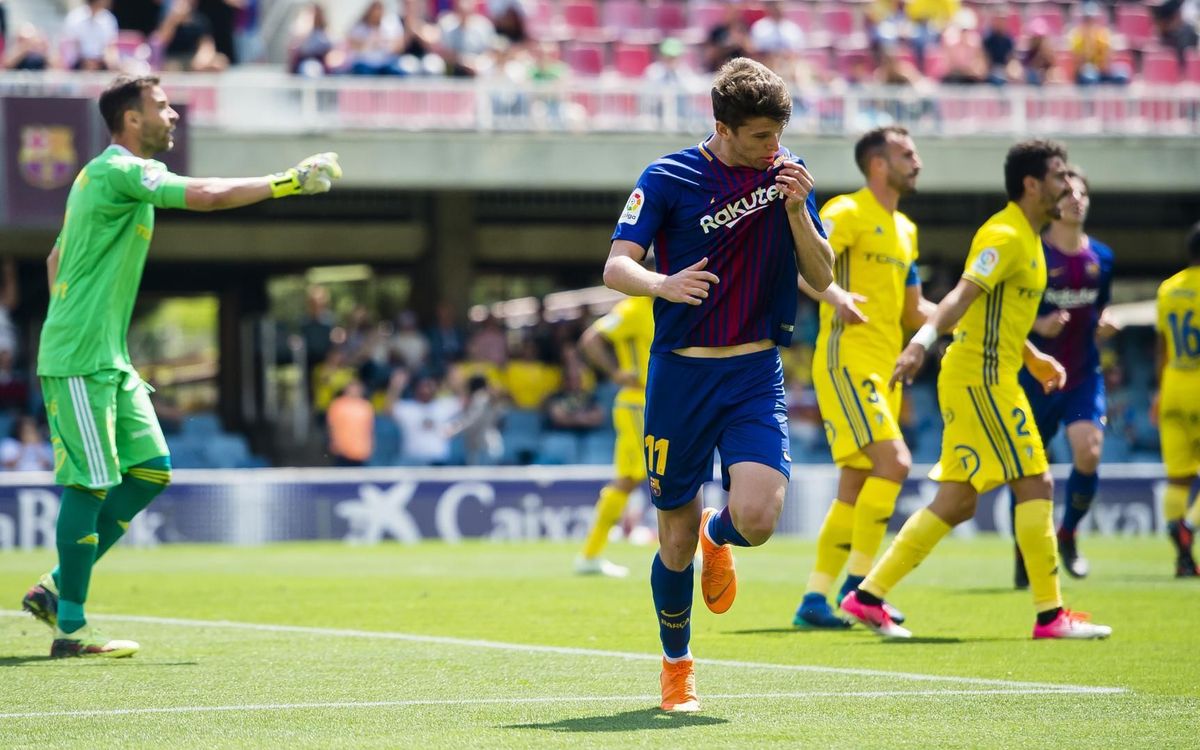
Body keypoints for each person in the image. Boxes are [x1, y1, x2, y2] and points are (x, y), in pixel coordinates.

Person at [20, 74, 342, 658]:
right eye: (163, 107)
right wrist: (289, 182)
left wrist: (83, 317)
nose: (174, 116)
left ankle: (56, 588)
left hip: (107, 358)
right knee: (91, 483)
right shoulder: (121, 170)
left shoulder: (104, 181)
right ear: (132, 120)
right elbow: (211, 196)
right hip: (80, 361)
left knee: (150, 469)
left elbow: (54, 258)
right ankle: (70, 627)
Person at [603, 58, 834, 711]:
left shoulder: (787, 175)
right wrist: (662, 284)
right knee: (670, 538)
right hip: (680, 374)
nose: (772, 148)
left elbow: (821, 272)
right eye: (760, 137)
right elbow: (617, 265)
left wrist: (795, 210)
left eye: (777, 134)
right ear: (724, 127)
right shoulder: (668, 177)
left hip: (754, 370)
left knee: (758, 520)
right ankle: (676, 665)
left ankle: (720, 535)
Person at [841, 139, 1113, 641]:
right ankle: (1050, 616)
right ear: (1032, 185)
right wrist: (921, 343)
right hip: (982, 379)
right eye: (1059, 176)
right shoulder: (1005, 234)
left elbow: (996, 315)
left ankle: (867, 596)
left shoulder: (1030, 239)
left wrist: (1033, 356)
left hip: (990, 374)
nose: (1068, 186)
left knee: (959, 500)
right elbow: (961, 297)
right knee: (1036, 481)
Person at [792, 126, 933, 629]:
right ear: (878, 163)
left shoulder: (906, 230)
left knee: (855, 483)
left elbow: (916, 310)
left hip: (886, 367)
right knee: (894, 463)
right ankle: (861, 586)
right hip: (846, 360)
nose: (917, 161)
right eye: (906, 153)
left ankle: (814, 598)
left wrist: (974, 318)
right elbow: (804, 264)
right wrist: (837, 298)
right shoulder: (846, 212)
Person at [1012, 167, 1116, 586]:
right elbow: (1013, 313)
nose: (1076, 198)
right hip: (1035, 375)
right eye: (1068, 192)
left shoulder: (1103, 258)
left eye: (1082, 192)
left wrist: (1104, 322)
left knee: (1088, 451)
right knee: (1027, 470)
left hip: (1082, 374)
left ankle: (1068, 534)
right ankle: (1023, 553)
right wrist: (1038, 326)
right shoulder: (1034, 253)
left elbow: (1099, 308)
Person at [574, 295, 654, 578]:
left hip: (657, 403)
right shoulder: (633, 307)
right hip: (637, 403)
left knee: (630, 480)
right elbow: (591, 338)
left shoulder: (667, 305)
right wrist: (616, 373)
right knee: (641, 477)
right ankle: (589, 555)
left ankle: (590, 555)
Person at [1152, 221, 1200, 577]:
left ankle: (1182, 555)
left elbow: (1162, 346)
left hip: (1173, 386)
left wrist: (1158, 392)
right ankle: (1189, 528)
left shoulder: (1168, 289)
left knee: (1178, 478)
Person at [326, 378, 374, 467]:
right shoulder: (338, 405)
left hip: (361, 451)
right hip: (343, 450)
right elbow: (332, 426)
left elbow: (369, 428)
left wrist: (370, 446)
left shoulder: (366, 406)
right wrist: (334, 442)